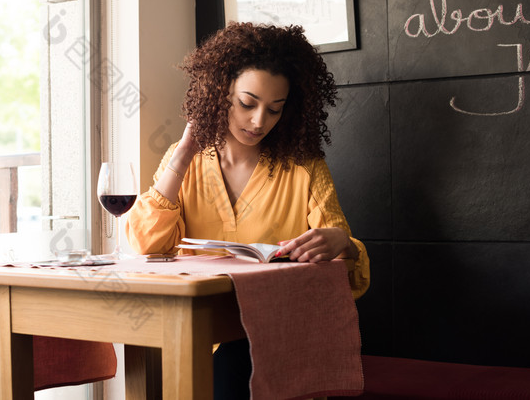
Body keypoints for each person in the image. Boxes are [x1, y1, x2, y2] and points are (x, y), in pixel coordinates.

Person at [125, 22, 370, 398]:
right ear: (219, 92)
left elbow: (344, 276)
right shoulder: (184, 161)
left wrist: (343, 243)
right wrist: (182, 156)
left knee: (239, 356)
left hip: (279, 335)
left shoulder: (305, 167)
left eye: (275, 109)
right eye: (247, 103)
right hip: (200, 336)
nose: (259, 122)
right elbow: (146, 245)